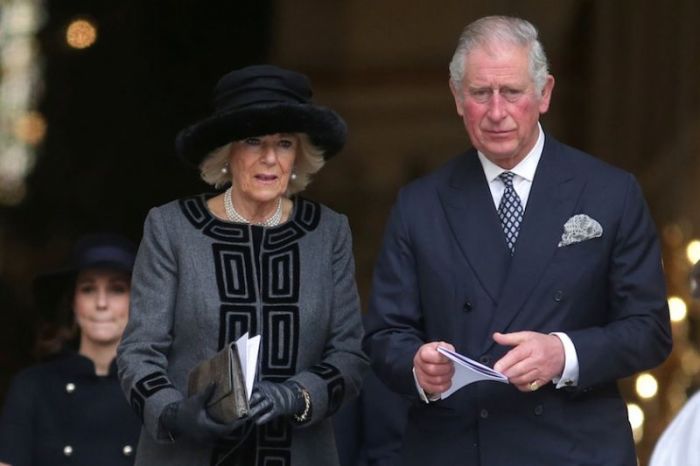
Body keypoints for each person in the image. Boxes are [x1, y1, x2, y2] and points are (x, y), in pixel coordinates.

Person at [363, 15, 672, 466]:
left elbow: (650, 330)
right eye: (479, 93)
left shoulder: (610, 193)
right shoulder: (419, 204)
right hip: (459, 448)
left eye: (511, 92)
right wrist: (417, 363)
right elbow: (383, 335)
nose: (496, 112)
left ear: (544, 93)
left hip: (574, 449)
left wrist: (563, 353)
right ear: (456, 98)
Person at [117, 64, 368, 466]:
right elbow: (139, 351)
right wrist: (173, 412)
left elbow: (350, 355)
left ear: (299, 154)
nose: (270, 158)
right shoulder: (172, 228)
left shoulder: (328, 232)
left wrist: (297, 394)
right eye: (254, 141)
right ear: (226, 152)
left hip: (297, 454)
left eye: (285, 143)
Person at [0, 233, 141, 466]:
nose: (101, 303)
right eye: (88, 289)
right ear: (72, 301)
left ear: (138, 299)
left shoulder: (159, 391)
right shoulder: (32, 386)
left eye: (117, 289)